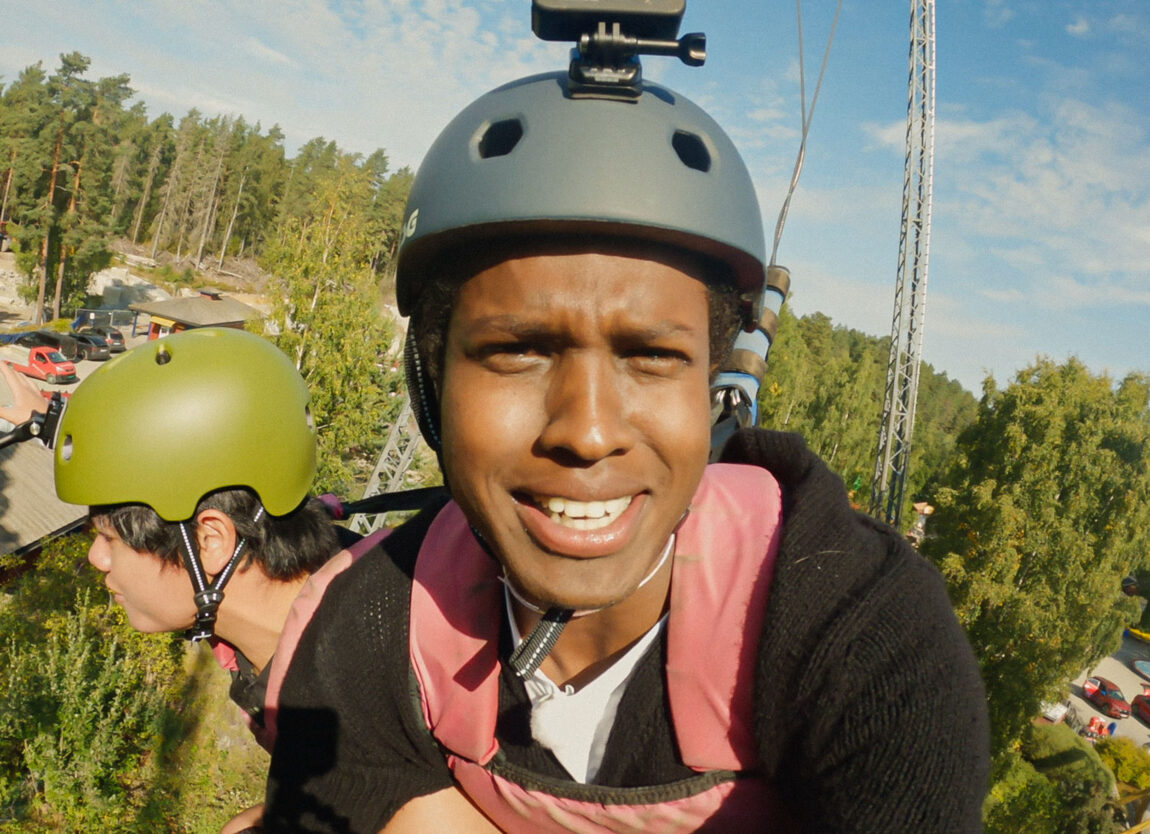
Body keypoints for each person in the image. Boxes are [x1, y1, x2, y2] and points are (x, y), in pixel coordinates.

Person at [262, 21, 990, 834]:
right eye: (519, 351)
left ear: (704, 386)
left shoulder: (862, 641)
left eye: (651, 356)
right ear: (432, 385)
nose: (589, 431)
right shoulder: (366, 637)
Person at [1, 328, 354, 834]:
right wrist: (47, 421)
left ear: (211, 541)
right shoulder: (286, 603)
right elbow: (195, 459)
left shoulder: (367, 688)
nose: (97, 559)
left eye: (109, 539)